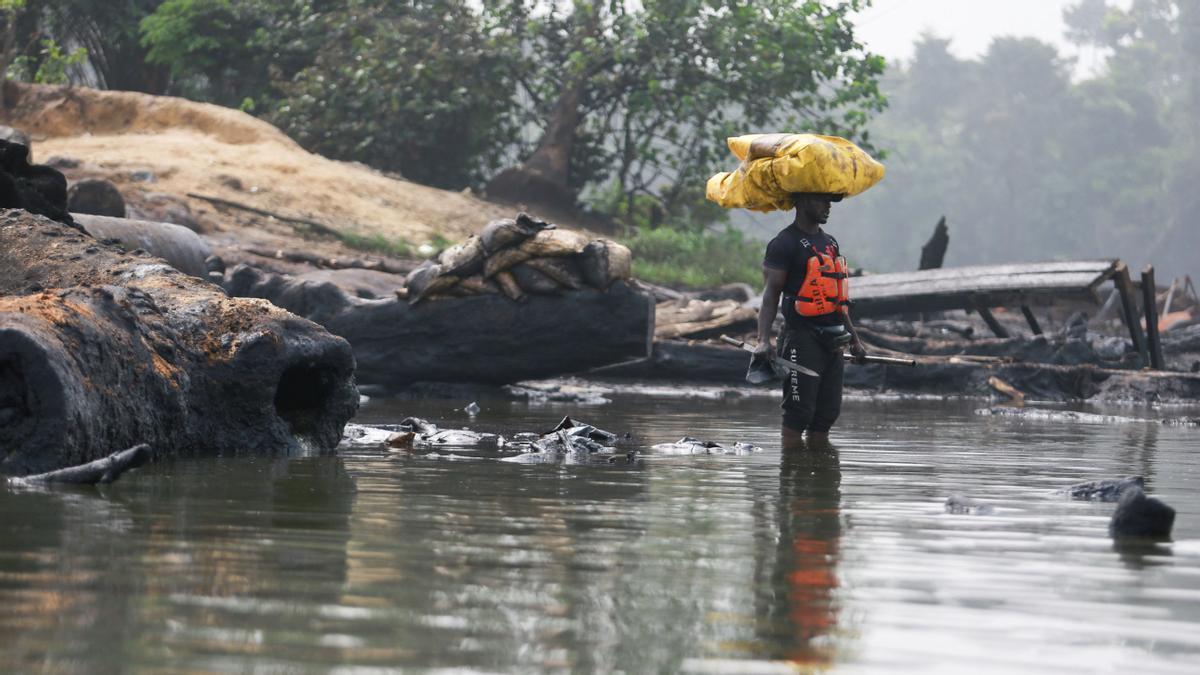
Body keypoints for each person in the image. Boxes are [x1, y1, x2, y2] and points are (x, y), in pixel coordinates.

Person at [754, 193, 866, 444]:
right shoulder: (784, 243)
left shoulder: (830, 243)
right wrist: (763, 340)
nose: (828, 207)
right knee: (798, 413)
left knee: (826, 414)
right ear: (803, 201)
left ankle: (819, 478)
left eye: (830, 202)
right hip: (800, 339)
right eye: (821, 201)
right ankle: (793, 475)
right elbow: (770, 297)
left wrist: (855, 340)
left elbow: (838, 300)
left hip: (834, 339)